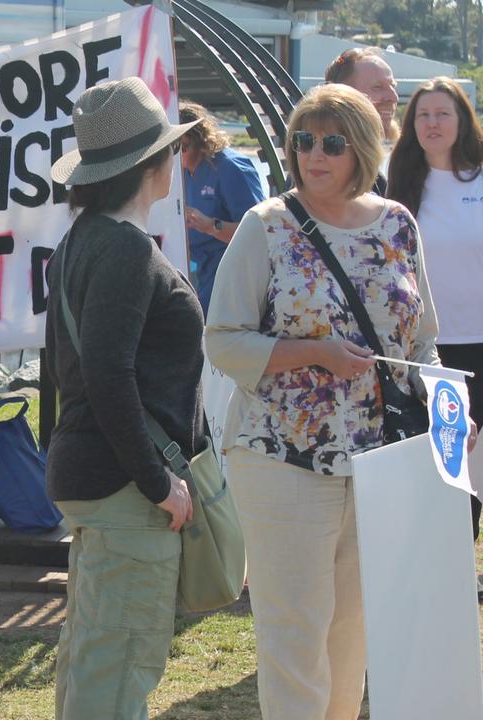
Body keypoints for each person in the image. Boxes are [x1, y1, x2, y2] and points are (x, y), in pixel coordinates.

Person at [206, 82, 474, 720]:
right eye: (303, 140)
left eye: (330, 142)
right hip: (282, 453)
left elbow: (424, 339)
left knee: (352, 631)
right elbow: (224, 339)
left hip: (382, 460)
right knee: (295, 629)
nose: (313, 154)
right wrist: (313, 352)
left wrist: (447, 407)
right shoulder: (265, 225)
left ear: (361, 148)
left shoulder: (398, 224)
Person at [45, 77, 201, 720]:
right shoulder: (127, 250)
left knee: (92, 658)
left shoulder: (80, 240)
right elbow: (108, 377)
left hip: (90, 474)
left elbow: (67, 366)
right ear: (152, 164)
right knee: (115, 670)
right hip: (122, 485)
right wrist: (157, 481)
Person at [387, 76, 483, 584]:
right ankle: (446, 572)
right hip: (432, 349)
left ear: (462, 120)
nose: (432, 123)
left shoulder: (480, 178)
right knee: (449, 459)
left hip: (482, 339)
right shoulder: (398, 185)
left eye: (443, 113)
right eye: (422, 115)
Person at [178, 101, 266, 313]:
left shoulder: (230, 167)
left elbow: (260, 233)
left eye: (174, 145)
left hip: (228, 275)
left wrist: (210, 226)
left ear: (189, 140)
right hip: (197, 271)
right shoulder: (181, 173)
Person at [326, 46, 399, 196]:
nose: (394, 97)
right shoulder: (323, 163)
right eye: (378, 87)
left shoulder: (391, 161)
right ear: (342, 96)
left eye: (393, 86)